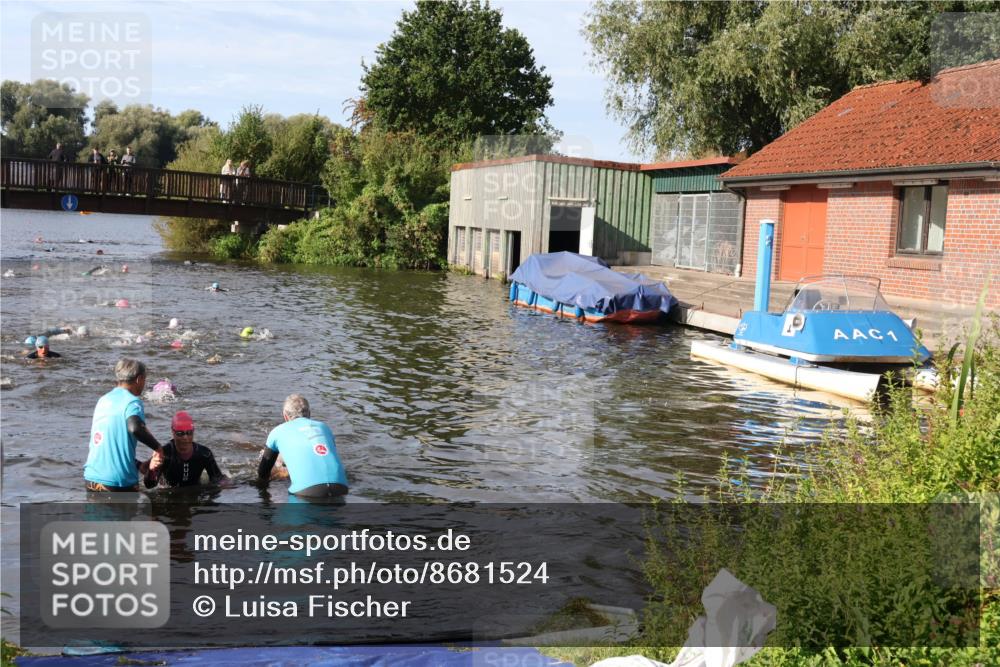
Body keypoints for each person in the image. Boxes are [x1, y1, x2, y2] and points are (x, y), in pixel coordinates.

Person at [83, 358, 165, 492]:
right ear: (139, 379)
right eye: (144, 379)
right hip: (118, 483)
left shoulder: (103, 400)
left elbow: (112, 445)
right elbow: (135, 428)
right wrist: (158, 448)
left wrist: (138, 465)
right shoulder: (132, 402)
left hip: (91, 479)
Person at [257, 394, 348, 498]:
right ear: (309, 414)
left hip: (306, 492)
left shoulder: (277, 432)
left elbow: (263, 474)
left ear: (285, 416)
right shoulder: (324, 427)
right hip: (341, 488)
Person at [143, 411, 227, 488]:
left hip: (195, 491)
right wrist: (151, 470)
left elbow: (218, 479)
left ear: (193, 431)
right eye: (180, 433)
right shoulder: (165, 454)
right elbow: (149, 485)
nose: (185, 437)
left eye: (189, 433)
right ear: (173, 432)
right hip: (171, 493)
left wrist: (227, 486)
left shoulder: (204, 454)